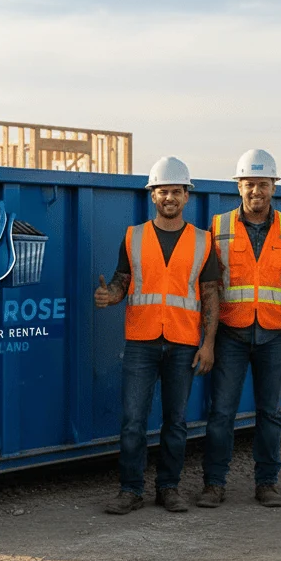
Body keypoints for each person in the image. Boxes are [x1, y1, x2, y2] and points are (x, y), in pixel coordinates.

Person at [95, 156, 221, 514]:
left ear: (187, 196)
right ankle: (131, 490)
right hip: (142, 340)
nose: (170, 197)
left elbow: (211, 293)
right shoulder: (133, 236)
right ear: (153, 195)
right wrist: (110, 296)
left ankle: (169, 488)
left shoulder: (202, 240)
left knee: (176, 422)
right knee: (133, 420)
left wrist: (208, 344)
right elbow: (123, 281)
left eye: (177, 192)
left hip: (183, 342)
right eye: (163, 191)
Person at [197, 149, 281, 508]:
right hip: (231, 331)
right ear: (239, 187)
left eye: (263, 184)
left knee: (270, 413)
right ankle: (214, 484)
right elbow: (209, 285)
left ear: (274, 186)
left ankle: (267, 483)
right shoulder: (219, 226)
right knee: (222, 412)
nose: (256, 190)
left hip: (274, 332)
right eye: (249, 184)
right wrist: (208, 339)